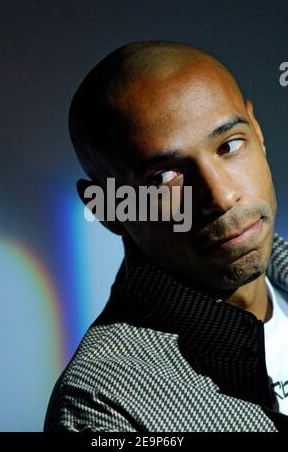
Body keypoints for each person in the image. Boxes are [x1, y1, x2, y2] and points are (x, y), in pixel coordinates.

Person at [44, 41, 288, 432]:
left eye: (228, 145)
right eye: (162, 178)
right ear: (106, 207)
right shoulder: (101, 404)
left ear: (257, 133)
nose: (221, 197)